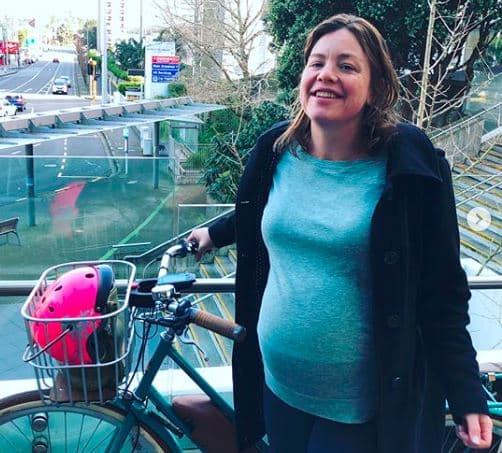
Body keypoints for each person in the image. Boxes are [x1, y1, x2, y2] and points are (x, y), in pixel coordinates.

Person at [188, 13, 492, 453]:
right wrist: (214, 234)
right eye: (317, 62)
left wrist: (466, 393)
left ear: (376, 88)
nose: (326, 74)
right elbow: (263, 212)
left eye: (346, 66)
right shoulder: (274, 151)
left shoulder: (409, 168)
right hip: (277, 386)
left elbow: (443, 288)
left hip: (358, 407)